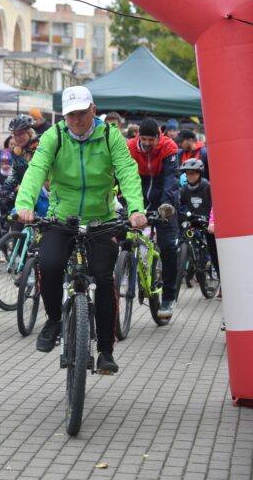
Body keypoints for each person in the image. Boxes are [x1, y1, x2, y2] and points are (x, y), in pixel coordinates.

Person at [16, 85, 147, 374]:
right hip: (62, 218)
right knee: (49, 265)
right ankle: (53, 320)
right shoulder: (55, 136)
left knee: (104, 278)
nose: (76, 120)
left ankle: (105, 351)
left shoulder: (111, 136)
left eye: (81, 113)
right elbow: (36, 170)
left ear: (93, 110)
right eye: (70, 114)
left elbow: (126, 171)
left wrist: (136, 209)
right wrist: (24, 204)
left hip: (101, 219)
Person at [127, 117, 180, 319]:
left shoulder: (169, 147)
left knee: (167, 246)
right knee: (123, 238)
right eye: (144, 139)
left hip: (163, 198)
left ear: (159, 137)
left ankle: (168, 296)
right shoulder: (130, 147)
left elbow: (171, 180)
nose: (148, 143)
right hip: (138, 195)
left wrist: (166, 206)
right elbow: (124, 176)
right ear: (139, 136)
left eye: (152, 139)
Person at [178, 158, 219, 286]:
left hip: (208, 223)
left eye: (193, 173)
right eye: (188, 173)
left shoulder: (207, 186)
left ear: (200, 173)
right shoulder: (184, 189)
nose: (190, 176)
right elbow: (178, 203)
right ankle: (187, 267)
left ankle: (222, 282)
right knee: (181, 241)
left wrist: (212, 222)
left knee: (214, 252)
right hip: (193, 221)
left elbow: (216, 205)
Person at [0, 114, 39, 211]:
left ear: (30, 132)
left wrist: (23, 186)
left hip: (42, 197)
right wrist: (5, 190)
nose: (17, 137)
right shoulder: (17, 151)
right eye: (15, 134)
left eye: (21, 134)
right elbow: (15, 173)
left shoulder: (40, 148)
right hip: (24, 196)